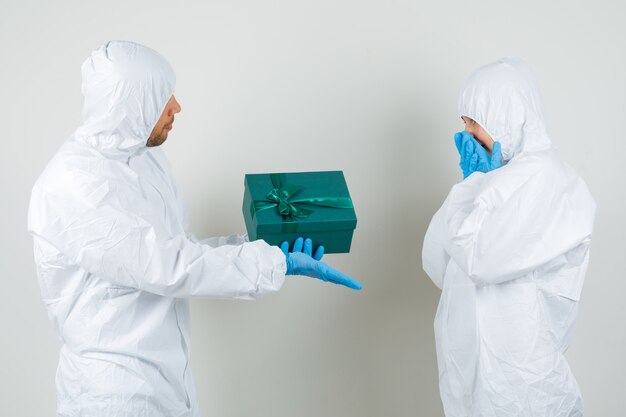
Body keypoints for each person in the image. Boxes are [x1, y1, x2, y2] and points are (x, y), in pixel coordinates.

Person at [27, 40, 361, 417]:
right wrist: (269, 264)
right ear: (128, 105)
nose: (176, 107)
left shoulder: (145, 160)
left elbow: (180, 247)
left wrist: (264, 247)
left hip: (167, 381)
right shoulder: (75, 184)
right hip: (114, 394)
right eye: (161, 98)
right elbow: (168, 266)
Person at [422, 58, 595, 417]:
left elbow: (480, 260)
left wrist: (475, 187)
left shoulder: (549, 180)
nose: (466, 134)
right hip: (472, 379)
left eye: (475, 121)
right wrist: (473, 185)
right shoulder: (493, 179)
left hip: (521, 384)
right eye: (463, 121)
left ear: (507, 117)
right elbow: (437, 261)